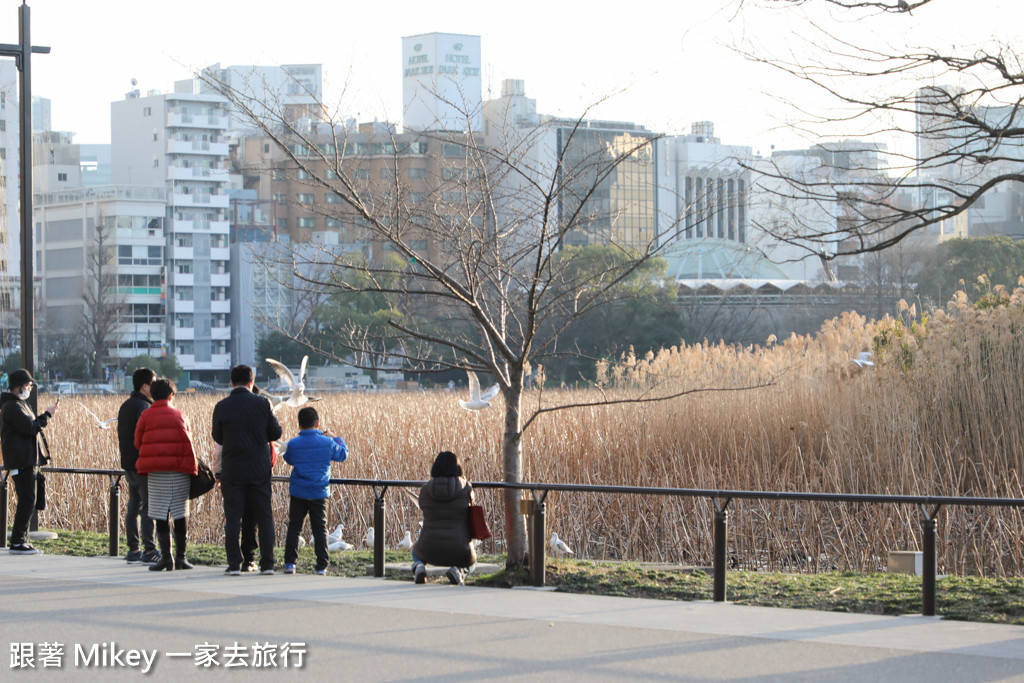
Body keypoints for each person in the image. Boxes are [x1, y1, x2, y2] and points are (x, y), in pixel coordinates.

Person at [212, 365, 282, 576]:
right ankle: (268, 563)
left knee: (233, 517)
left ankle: (235, 563)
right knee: (264, 515)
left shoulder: (222, 406)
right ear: (252, 382)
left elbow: (217, 436)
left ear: (232, 383)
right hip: (258, 469)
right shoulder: (263, 403)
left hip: (233, 470)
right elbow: (275, 431)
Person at [135, 379, 197, 571]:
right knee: (180, 513)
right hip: (179, 470)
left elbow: (137, 443)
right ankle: (181, 558)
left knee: (160, 514)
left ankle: (166, 558)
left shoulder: (145, 415)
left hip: (156, 471)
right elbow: (188, 440)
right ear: (171, 395)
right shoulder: (181, 415)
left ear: (152, 395)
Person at [283, 406, 349, 576]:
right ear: (318, 423)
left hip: (298, 491)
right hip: (319, 492)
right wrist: (336, 437)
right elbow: (343, 455)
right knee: (320, 529)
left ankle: (290, 563)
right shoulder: (327, 443)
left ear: (299, 425)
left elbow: (288, 458)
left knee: (295, 527)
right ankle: (322, 566)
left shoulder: (294, 443)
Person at [0, 369, 58, 555]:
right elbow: (29, 427)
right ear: (18, 386)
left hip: (28, 460)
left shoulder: (19, 404)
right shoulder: (12, 406)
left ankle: (21, 540)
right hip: (21, 460)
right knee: (27, 500)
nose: (30, 388)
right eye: (28, 385)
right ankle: (17, 541)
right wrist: (47, 415)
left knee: (29, 500)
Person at [411, 450, 476, 585]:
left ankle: (419, 567)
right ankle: (458, 571)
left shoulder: (425, 490)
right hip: (459, 549)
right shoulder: (466, 489)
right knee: (472, 559)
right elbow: (471, 509)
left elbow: (423, 507)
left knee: (415, 553)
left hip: (428, 548)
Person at [117, 367, 160, 565]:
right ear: (145, 386)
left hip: (128, 464)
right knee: (148, 508)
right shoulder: (144, 407)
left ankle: (133, 549)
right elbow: (147, 437)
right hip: (143, 464)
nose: (156, 385)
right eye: (154, 382)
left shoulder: (126, 405)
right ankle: (150, 550)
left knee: (133, 506)